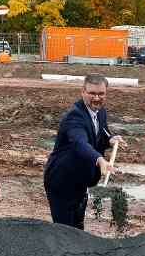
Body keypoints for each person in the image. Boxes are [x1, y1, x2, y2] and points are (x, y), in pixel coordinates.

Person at [44, 74, 125, 229]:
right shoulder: (74, 116)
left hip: (81, 180)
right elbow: (79, 143)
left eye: (101, 94)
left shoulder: (101, 112)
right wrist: (99, 160)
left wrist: (111, 139)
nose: (96, 98)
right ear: (83, 92)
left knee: (78, 227)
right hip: (62, 181)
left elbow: (100, 133)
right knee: (65, 230)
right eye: (92, 93)